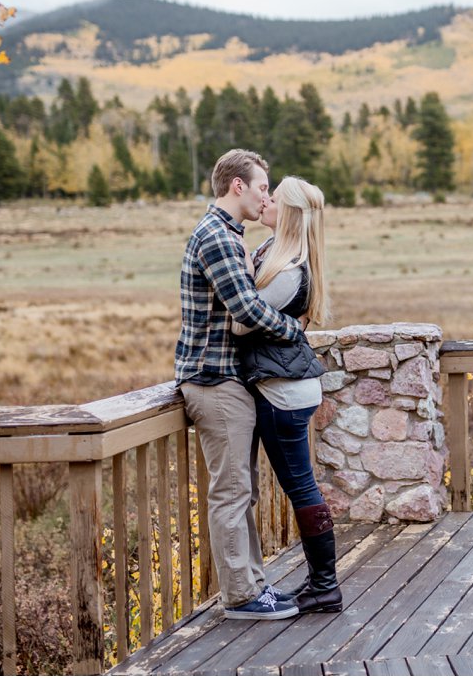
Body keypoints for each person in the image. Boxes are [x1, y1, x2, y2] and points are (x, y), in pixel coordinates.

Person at [174, 149, 302, 621]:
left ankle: (254, 584)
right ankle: (242, 597)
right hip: (214, 380)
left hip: (227, 379)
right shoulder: (217, 237)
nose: (268, 196)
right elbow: (246, 310)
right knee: (230, 492)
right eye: (263, 187)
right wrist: (293, 330)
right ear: (238, 187)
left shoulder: (230, 235)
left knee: (239, 490)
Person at [234, 176, 342, 614]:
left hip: (283, 395)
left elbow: (243, 323)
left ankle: (326, 584)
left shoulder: (288, 268)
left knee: (301, 489)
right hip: (287, 389)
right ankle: (320, 583)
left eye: (273, 198)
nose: (265, 201)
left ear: (290, 212)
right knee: (302, 487)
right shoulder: (277, 254)